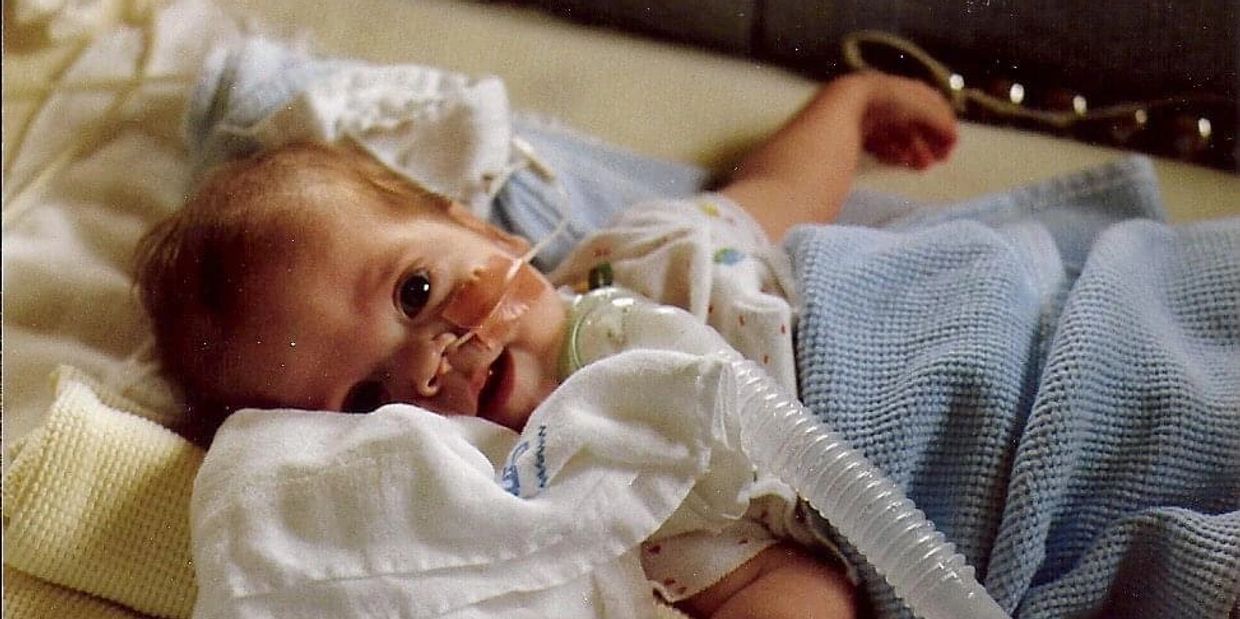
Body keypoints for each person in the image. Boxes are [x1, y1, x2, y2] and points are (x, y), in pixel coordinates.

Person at [137, 71, 957, 619]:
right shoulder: (612, 480)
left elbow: (773, 195)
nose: (426, 363)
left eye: (413, 291)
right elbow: (787, 585)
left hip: (953, 299)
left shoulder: (632, 253)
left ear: (474, 224)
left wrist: (847, 106)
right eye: (365, 398)